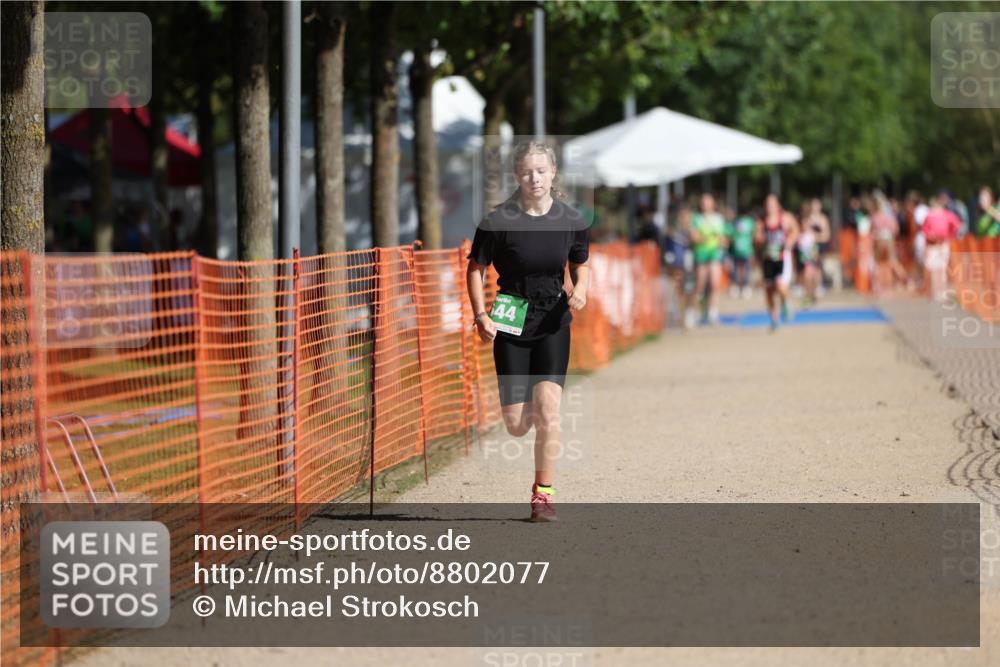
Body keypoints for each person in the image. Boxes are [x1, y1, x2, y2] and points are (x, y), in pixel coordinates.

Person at [466, 141, 590, 522]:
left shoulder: (571, 219)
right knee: (517, 426)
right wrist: (481, 315)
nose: (534, 178)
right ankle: (535, 411)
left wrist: (581, 289)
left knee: (550, 413)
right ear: (516, 175)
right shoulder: (498, 221)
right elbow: (475, 269)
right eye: (526, 172)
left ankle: (543, 495)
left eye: (540, 171)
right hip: (510, 321)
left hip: (553, 321)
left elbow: (580, 263)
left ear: (553, 173)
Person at [754, 193, 798, 331]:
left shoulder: (785, 218)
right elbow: (756, 238)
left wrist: (790, 242)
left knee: (780, 285)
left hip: (782, 257)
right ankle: (774, 319)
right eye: (767, 204)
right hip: (768, 259)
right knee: (769, 290)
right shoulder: (761, 221)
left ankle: (786, 303)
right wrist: (759, 240)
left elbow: (795, 230)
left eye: (772, 203)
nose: (770, 206)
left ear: (778, 205)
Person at [690, 192, 727, 325]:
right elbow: (694, 237)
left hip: (715, 255)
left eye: (708, 201)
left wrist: (722, 241)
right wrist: (707, 238)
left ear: (713, 203)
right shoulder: (697, 218)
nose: (705, 204)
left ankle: (713, 312)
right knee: (700, 285)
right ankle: (693, 311)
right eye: (703, 202)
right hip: (701, 254)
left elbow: (723, 237)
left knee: (715, 284)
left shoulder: (719, 218)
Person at [922, 196, 961, 301]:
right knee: (939, 268)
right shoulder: (939, 215)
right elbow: (957, 225)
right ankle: (938, 292)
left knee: (938, 268)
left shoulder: (933, 215)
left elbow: (924, 230)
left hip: (939, 243)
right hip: (937, 243)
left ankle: (939, 292)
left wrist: (949, 235)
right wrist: (950, 235)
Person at [664, 204, 696, 329]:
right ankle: (678, 315)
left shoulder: (693, 230)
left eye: (687, 216)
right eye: (682, 216)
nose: (685, 219)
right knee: (678, 289)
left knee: (690, 290)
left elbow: (696, 241)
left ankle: (689, 312)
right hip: (677, 264)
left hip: (691, 265)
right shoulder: (673, 232)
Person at [796, 198, 830, 306]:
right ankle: (808, 293)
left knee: (814, 271)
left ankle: (815, 290)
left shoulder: (822, 219)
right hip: (805, 251)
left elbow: (826, 235)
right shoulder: (807, 219)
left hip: (815, 249)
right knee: (806, 273)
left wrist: (815, 236)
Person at [726, 208, 756, 299]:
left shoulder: (750, 222)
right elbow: (729, 235)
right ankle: (736, 286)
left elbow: (754, 235)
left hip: (747, 250)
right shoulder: (734, 223)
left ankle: (745, 286)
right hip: (735, 251)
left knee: (746, 269)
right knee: (735, 269)